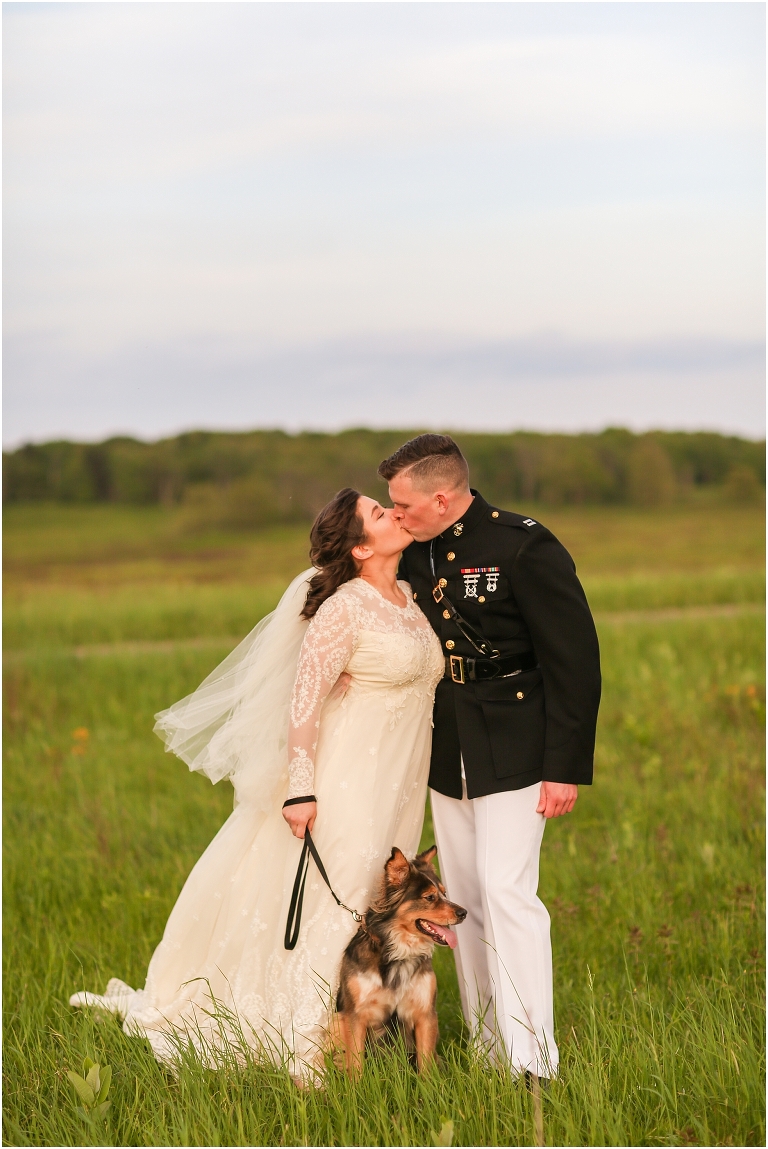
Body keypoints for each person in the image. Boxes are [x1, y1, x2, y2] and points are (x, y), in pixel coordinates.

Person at [70, 488, 444, 1080]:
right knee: (337, 900)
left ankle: (359, 1025)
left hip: (400, 779)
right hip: (347, 779)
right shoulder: (342, 608)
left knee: (376, 898)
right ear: (360, 545)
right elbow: (303, 704)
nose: (394, 514)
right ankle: (302, 1038)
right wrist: (300, 789)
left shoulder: (409, 597)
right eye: (380, 512)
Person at [379, 434, 601, 1078]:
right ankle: (487, 1045)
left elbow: (575, 662)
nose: (397, 515)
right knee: (467, 895)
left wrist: (565, 765)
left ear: (441, 496)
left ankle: (533, 1058)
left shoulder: (524, 545)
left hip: (520, 743)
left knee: (508, 893)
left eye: (404, 505)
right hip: (452, 747)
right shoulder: (417, 551)